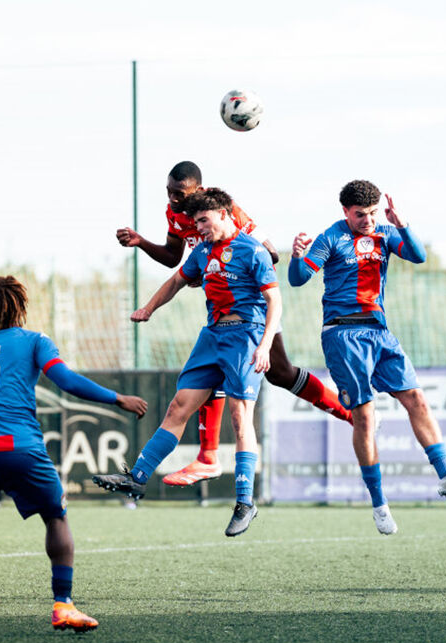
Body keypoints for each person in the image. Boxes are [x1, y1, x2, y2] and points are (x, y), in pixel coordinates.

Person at [0, 276, 147, 637]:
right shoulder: (35, 341)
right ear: (19, 306)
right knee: (56, 517)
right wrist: (118, 399)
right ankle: (63, 605)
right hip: (24, 449)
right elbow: (66, 381)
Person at [116, 161, 352, 486]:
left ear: (199, 191)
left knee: (281, 374)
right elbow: (174, 259)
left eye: (179, 193)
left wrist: (224, 264)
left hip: (255, 310)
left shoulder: (227, 211)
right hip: (221, 314)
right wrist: (142, 242)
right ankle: (207, 458)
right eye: (169, 192)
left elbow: (269, 254)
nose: (172, 199)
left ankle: (350, 414)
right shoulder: (176, 215)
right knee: (210, 377)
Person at [288, 180, 446, 535]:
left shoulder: (386, 233)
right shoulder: (331, 237)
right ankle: (379, 504)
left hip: (379, 331)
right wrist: (298, 255)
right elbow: (299, 279)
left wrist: (402, 223)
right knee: (364, 415)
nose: (368, 220)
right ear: (345, 211)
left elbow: (418, 255)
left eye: (373, 212)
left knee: (416, 398)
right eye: (360, 214)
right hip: (342, 333)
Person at [96, 187, 280, 537]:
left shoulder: (252, 251)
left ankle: (245, 501)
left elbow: (275, 300)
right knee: (178, 406)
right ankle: (136, 479)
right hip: (212, 336)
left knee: (240, 417)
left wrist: (266, 344)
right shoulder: (204, 252)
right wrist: (148, 308)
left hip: (246, 336)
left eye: (204, 221)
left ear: (225, 214)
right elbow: (176, 280)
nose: (200, 228)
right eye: (195, 223)